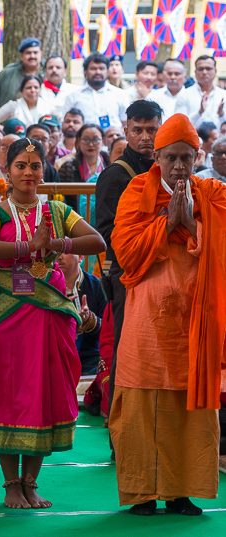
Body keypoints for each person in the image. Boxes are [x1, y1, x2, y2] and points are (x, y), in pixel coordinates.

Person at [0, 137, 105, 509]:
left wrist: (58, 245)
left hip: (47, 316)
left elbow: (96, 241)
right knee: (6, 393)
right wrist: (29, 248)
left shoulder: (57, 211)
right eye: (21, 165)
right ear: (8, 170)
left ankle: (31, 483)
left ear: (43, 170)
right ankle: (11, 484)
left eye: (34, 165)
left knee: (42, 392)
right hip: (4, 314)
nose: (28, 172)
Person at [109, 113, 226, 516]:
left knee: (191, 409)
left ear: (198, 157)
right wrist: (166, 223)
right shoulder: (136, 191)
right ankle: (142, 492)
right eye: (170, 157)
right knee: (141, 405)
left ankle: (182, 492)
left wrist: (193, 222)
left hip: (195, 317)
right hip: (147, 320)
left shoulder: (212, 193)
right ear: (156, 157)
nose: (178, 166)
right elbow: (125, 251)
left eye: (186, 158)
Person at [93, 99, 162, 430]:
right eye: (138, 130)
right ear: (126, 130)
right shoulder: (116, 175)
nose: (145, 137)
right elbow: (106, 233)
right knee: (127, 349)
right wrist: (157, 231)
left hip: (164, 273)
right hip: (128, 275)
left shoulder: (167, 169)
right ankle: (121, 433)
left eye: (152, 129)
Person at [60, 253, 105, 376]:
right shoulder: (48, 287)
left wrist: (91, 321)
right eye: (55, 251)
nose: (59, 256)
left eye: (65, 251)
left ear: (81, 256)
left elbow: (110, 329)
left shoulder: (97, 286)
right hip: (57, 358)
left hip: (90, 362)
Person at [60, 53, 129, 132]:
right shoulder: (73, 96)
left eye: (101, 68)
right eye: (93, 69)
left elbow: (126, 123)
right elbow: (66, 122)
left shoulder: (120, 95)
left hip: (113, 138)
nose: (98, 72)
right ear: (85, 72)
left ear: (107, 71)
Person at [175, 55, 226, 128]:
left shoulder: (223, 95)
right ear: (195, 72)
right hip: (193, 135)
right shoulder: (184, 94)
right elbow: (179, 124)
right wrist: (199, 112)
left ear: (215, 71)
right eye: (201, 69)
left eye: (208, 68)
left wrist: (221, 114)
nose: (204, 72)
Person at [0, 38, 44, 103]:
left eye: (35, 52)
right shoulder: (7, 74)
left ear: (41, 54)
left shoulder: (47, 74)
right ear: (21, 56)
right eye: (28, 53)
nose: (32, 56)